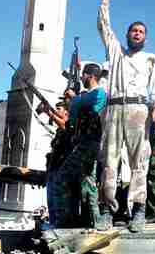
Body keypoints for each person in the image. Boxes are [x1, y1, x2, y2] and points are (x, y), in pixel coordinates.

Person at [97, 0, 155, 232]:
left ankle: (138, 210)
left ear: (145, 37)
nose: (137, 34)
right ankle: (106, 210)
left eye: (141, 32)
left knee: (139, 162)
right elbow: (104, 25)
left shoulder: (151, 59)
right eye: (133, 30)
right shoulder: (115, 52)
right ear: (126, 35)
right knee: (109, 160)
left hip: (139, 111)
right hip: (114, 109)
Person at [58, 63, 107, 228]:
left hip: (89, 143)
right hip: (83, 142)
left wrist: (74, 98)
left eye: (83, 75)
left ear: (90, 76)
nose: (81, 78)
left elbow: (87, 104)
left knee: (63, 177)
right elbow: (73, 116)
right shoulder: (85, 96)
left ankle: (66, 220)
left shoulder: (98, 93)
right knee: (87, 182)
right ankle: (92, 220)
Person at [43, 100, 71, 228]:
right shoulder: (59, 131)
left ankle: (59, 225)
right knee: (51, 202)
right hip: (53, 169)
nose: (56, 111)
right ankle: (54, 224)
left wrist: (50, 114)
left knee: (59, 202)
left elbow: (65, 126)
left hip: (61, 171)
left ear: (66, 111)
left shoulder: (70, 126)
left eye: (59, 108)